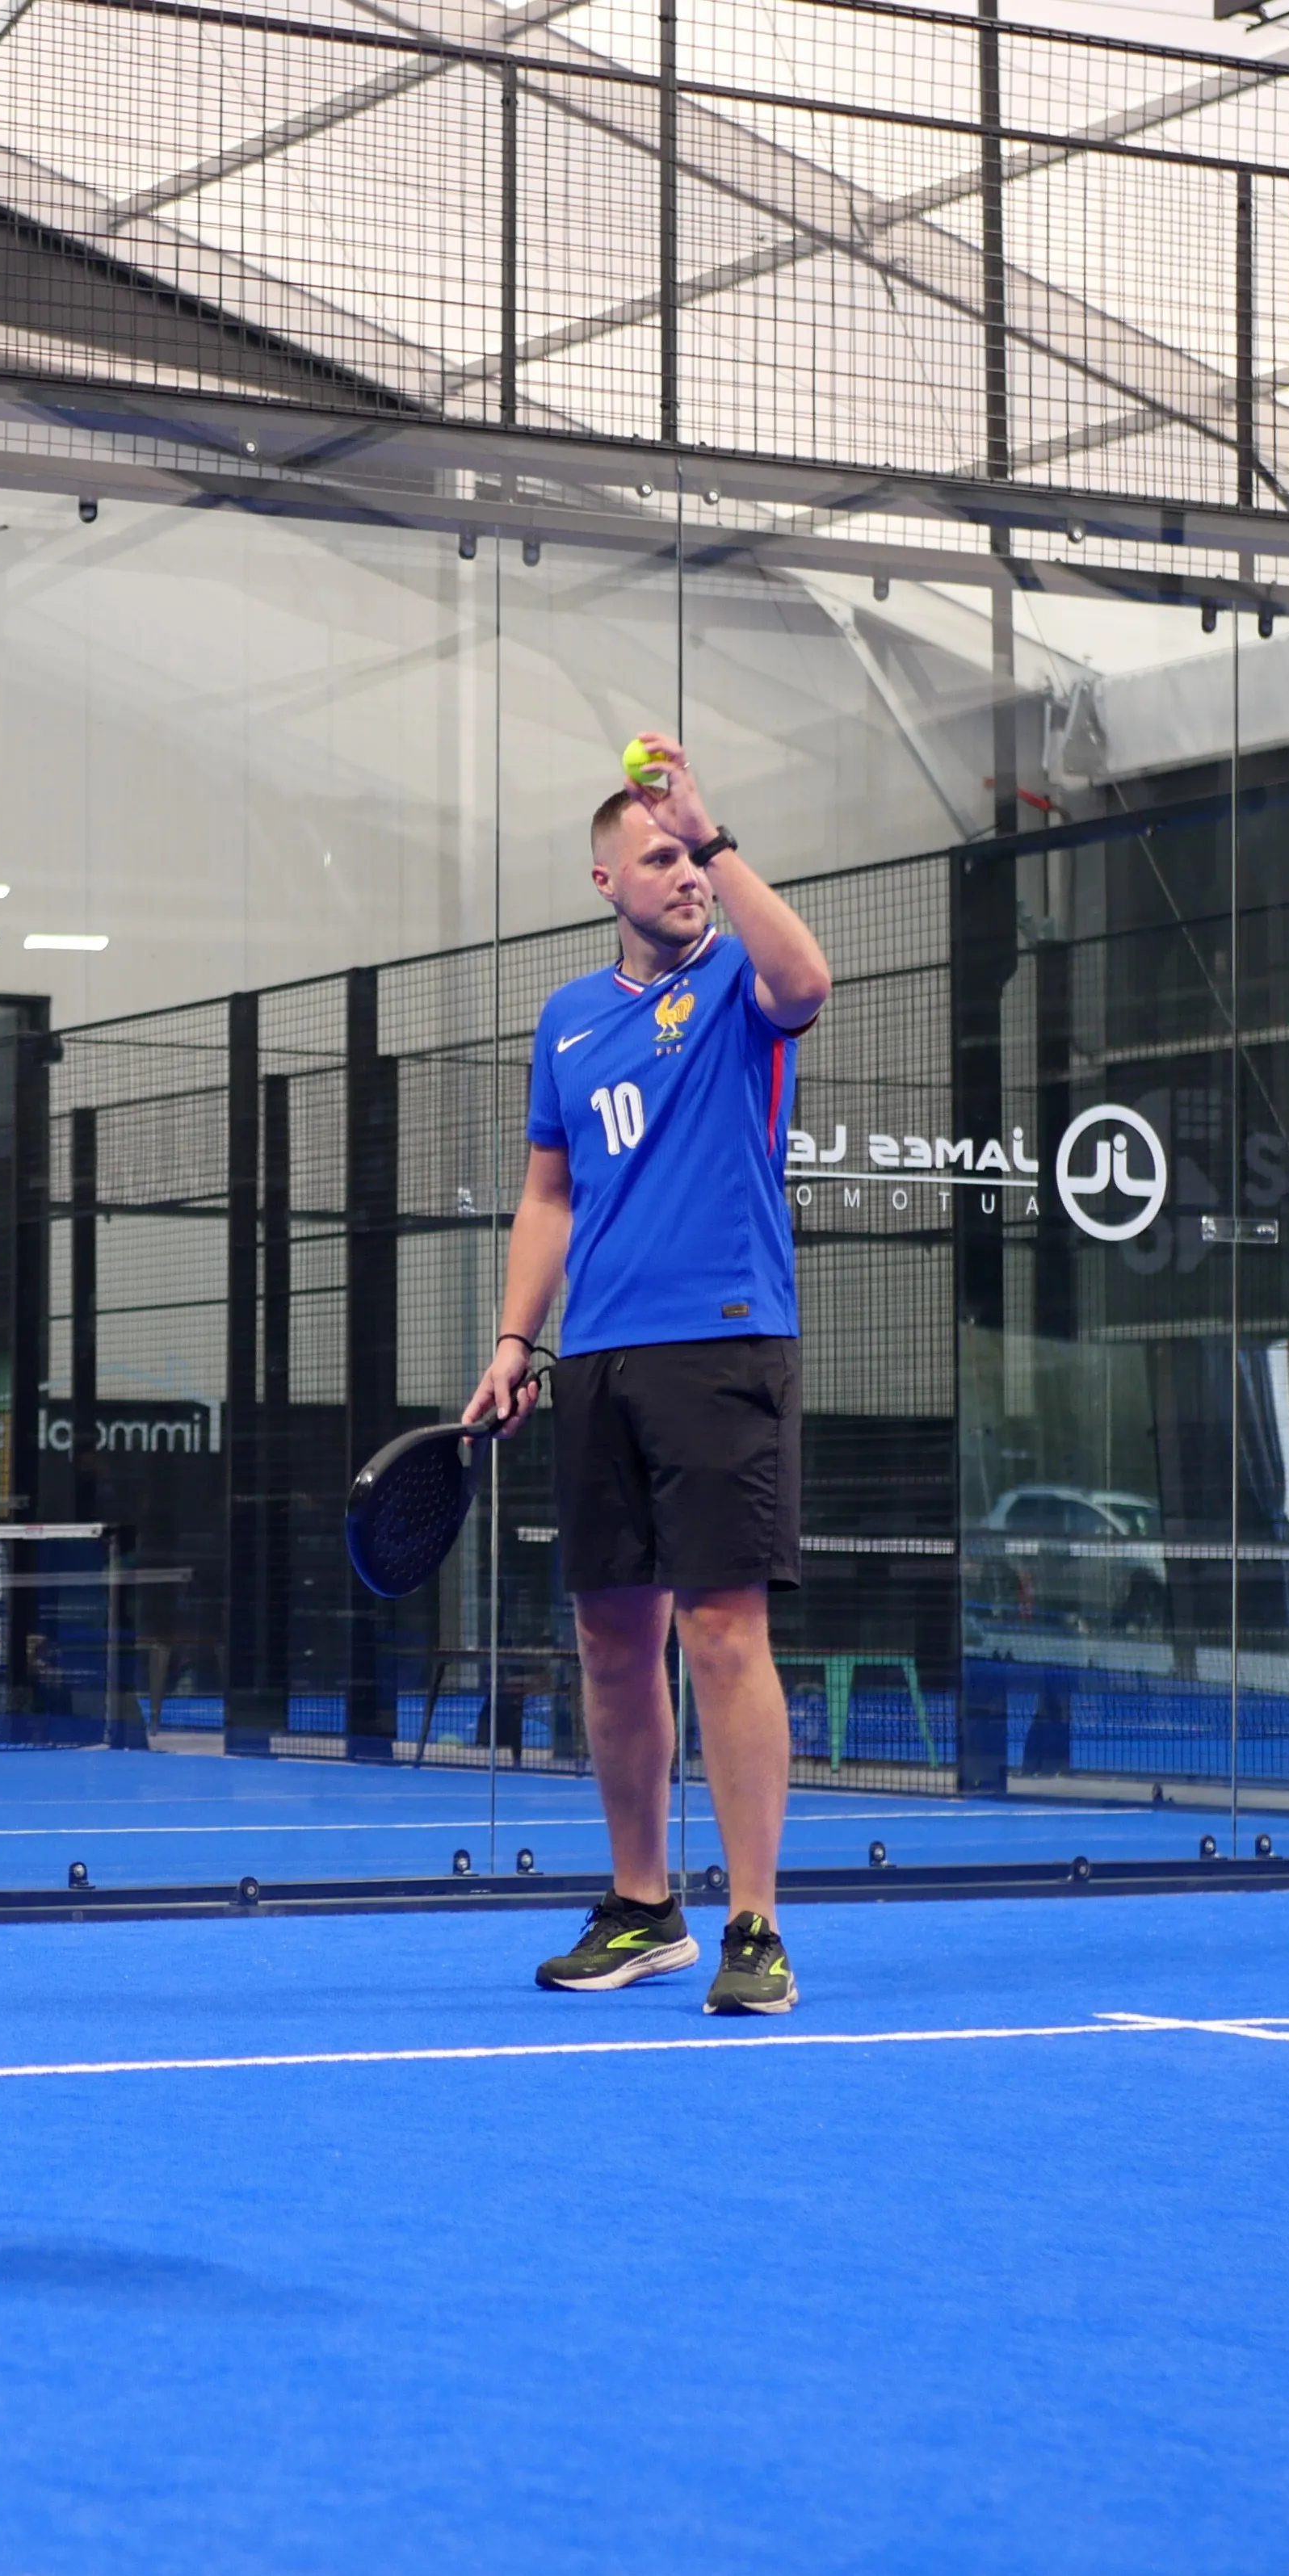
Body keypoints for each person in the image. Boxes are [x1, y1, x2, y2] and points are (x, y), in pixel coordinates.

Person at [465, 736, 834, 2015]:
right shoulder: (567, 1021)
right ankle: (642, 1909)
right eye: (662, 858)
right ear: (604, 879)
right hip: (602, 1360)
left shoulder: (741, 979)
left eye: (693, 857)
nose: (684, 874)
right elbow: (549, 1195)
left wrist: (721, 836)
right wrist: (517, 1342)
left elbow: (811, 975)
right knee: (611, 1640)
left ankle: (754, 1925)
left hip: (726, 1337)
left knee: (725, 1630)